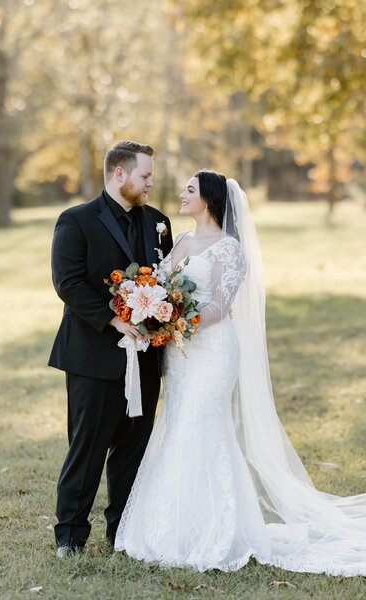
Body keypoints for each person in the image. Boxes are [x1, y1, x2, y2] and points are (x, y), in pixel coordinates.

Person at [115, 170, 366, 576]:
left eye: (190, 190)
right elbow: (161, 286)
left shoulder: (229, 249)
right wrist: (151, 308)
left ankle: (217, 530)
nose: (182, 194)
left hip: (212, 350)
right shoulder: (179, 240)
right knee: (178, 425)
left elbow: (217, 308)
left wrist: (175, 319)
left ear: (210, 200)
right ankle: (173, 525)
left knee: (201, 426)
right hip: (180, 355)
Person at [48, 140, 173, 557]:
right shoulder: (76, 220)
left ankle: (123, 531)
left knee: (133, 448)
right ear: (120, 174)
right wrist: (113, 318)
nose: (151, 182)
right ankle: (70, 536)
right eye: (145, 175)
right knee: (88, 447)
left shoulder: (159, 222)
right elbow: (67, 282)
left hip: (146, 357)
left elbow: (166, 284)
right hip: (93, 354)